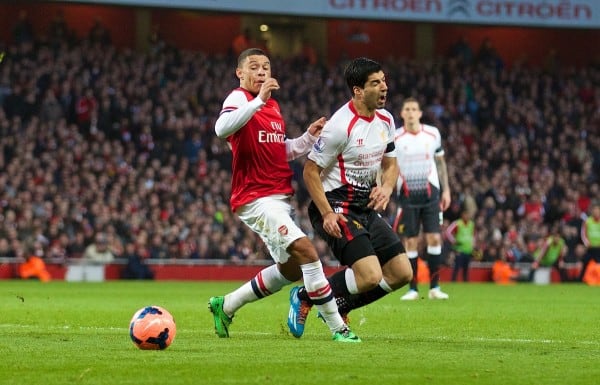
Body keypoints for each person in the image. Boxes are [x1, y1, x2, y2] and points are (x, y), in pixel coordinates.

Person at [208, 48, 358, 342]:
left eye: (266, 66)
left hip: (279, 197)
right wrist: (258, 101)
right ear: (240, 73)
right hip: (255, 197)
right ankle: (338, 328)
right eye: (254, 67)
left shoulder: (273, 108)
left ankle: (225, 306)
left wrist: (307, 138)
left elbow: (281, 151)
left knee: (290, 269)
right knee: (307, 252)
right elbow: (220, 128)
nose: (262, 71)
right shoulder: (240, 99)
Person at [287, 57, 412, 338]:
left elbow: (391, 165)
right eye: (376, 83)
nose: (384, 88)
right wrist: (328, 213)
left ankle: (338, 303)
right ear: (357, 90)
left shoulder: (387, 120)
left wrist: (387, 188)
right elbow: (310, 172)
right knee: (369, 275)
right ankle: (306, 296)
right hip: (336, 207)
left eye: (384, 81)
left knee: (402, 272)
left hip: (364, 208)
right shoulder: (339, 127)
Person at [394, 97, 451, 300]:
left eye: (414, 109)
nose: (410, 112)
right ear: (402, 114)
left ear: (419, 113)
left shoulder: (432, 134)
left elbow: (441, 163)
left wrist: (446, 191)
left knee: (434, 237)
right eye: (407, 109)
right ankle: (413, 289)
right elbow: (388, 165)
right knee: (411, 240)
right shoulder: (395, 138)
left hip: (431, 193)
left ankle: (435, 287)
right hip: (407, 195)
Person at [446, 207, 476, 282]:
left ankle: (465, 282)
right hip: (459, 249)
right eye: (465, 214)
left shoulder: (471, 224)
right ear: (462, 215)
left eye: (468, 214)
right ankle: (453, 281)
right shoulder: (457, 223)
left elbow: (473, 235)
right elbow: (448, 232)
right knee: (457, 267)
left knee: (466, 268)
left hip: (468, 249)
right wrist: (453, 241)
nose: (467, 216)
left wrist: (473, 244)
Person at [579, 204, 600, 282]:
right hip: (590, 247)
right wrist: (587, 243)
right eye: (595, 211)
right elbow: (583, 233)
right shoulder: (588, 221)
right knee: (585, 263)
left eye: (598, 211)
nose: (596, 212)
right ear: (592, 212)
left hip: (599, 247)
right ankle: (581, 279)